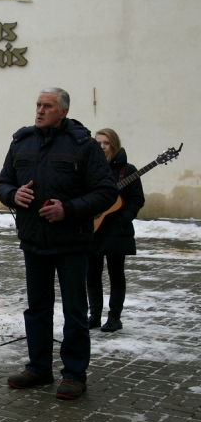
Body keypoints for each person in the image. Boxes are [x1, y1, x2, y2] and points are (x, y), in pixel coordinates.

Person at [0, 88, 118, 400]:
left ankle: (75, 374)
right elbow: (3, 182)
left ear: (62, 111)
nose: (39, 111)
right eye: (37, 105)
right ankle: (38, 368)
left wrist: (69, 209)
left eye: (46, 106)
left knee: (75, 311)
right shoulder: (22, 141)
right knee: (37, 308)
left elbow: (106, 192)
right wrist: (13, 195)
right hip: (33, 239)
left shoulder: (84, 146)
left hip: (72, 242)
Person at [87, 128, 145, 333]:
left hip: (116, 230)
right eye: (98, 143)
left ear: (114, 145)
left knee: (116, 273)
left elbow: (137, 199)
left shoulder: (127, 170)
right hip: (93, 229)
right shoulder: (91, 167)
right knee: (91, 274)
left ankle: (114, 317)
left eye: (106, 143)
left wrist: (122, 218)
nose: (102, 147)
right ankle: (94, 315)